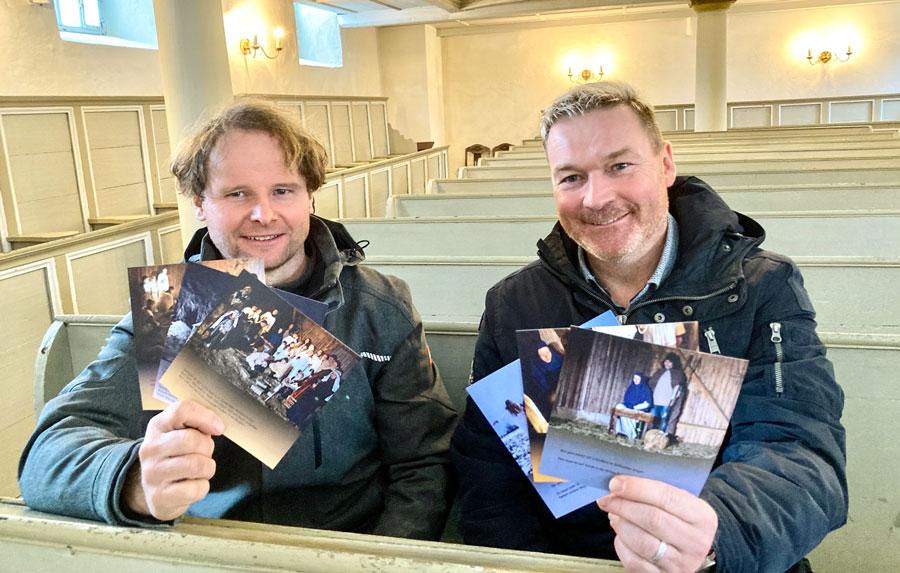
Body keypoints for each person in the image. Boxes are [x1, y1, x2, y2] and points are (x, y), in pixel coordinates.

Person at [450, 81, 847, 572]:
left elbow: (798, 452)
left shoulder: (762, 287)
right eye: (571, 177)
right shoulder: (515, 302)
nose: (597, 197)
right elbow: (489, 470)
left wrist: (716, 529)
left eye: (620, 166)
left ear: (665, 165)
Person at [19, 101, 457, 540]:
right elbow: (47, 454)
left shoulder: (379, 308)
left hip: (346, 544)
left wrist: (383, 561)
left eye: (283, 190)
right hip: (209, 547)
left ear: (310, 197)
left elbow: (423, 466)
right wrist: (133, 480)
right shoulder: (172, 309)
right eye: (237, 193)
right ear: (199, 204)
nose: (263, 213)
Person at [646, 353, 687, 437]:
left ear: (674, 363)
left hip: (666, 402)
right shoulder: (659, 372)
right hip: (656, 400)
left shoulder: (678, 374)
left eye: (670, 362)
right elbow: (651, 384)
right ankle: (650, 437)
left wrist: (672, 401)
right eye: (666, 361)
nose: (667, 364)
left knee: (664, 420)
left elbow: (679, 389)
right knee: (653, 419)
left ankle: (661, 438)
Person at [615, 372, 652, 439]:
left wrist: (635, 407)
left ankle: (631, 434)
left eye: (638, 379)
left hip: (639, 409)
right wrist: (628, 406)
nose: (635, 380)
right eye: (634, 378)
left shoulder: (645, 389)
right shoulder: (631, 387)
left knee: (628, 414)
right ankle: (620, 431)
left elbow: (647, 403)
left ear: (641, 379)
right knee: (619, 408)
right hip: (628, 406)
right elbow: (626, 399)